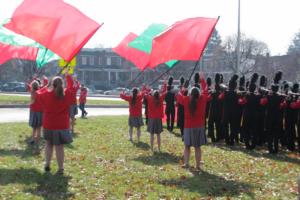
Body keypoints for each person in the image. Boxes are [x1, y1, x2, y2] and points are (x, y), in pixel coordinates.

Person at [37, 74, 74, 174]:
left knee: (49, 144)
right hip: (62, 125)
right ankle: (60, 168)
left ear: (52, 85)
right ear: (62, 85)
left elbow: (38, 92)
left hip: (49, 124)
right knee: (59, 146)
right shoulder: (67, 94)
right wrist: (68, 77)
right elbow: (72, 87)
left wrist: (46, 85)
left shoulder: (46, 95)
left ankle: (47, 164)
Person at [177, 72, 209, 170]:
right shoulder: (203, 99)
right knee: (197, 147)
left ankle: (186, 163)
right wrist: (202, 80)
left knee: (187, 146)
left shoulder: (186, 99)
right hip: (199, 126)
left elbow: (178, 96)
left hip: (188, 127)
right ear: (198, 94)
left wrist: (183, 89)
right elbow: (206, 90)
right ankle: (198, 165)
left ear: (190, 94)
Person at [145, 81, 167, 152]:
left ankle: (151, 148)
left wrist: (148, 89)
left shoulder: (150, 98)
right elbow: (165, 92)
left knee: (151, 134)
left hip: (151, 119)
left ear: (153, 94)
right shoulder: (160, 99)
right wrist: (165, 84)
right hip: (158, 119)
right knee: (158, 135)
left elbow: (145, 94)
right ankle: (159, 148)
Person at [27, 76, 48, 146]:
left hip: (34, 111)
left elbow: (32, 102)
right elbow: (46, 86)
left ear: (32, 86)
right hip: (41, 111)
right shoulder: (41, 92)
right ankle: (37, 141)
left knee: (34, 127)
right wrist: (45, 80)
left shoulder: (33, 93)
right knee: (39, 127)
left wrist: (29, 103)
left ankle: (33, 139)